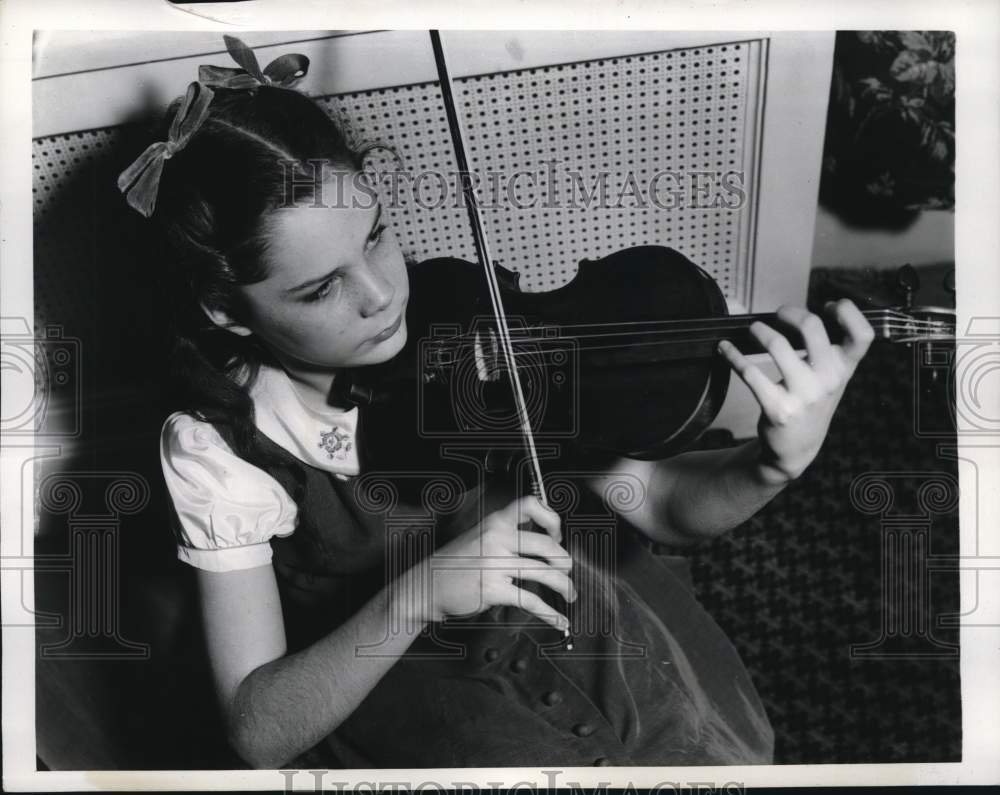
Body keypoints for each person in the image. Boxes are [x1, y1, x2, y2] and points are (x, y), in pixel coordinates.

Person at [123, 36, 875, 770]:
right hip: (418, 692)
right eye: (322, 288)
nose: (383, 295)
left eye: (378, 236)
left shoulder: (463, 316)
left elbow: (662, 504)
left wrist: (772, 464)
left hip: (585, 631)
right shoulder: (219, 448)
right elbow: (259, 732)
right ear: (226, 311)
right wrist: (416, 596)